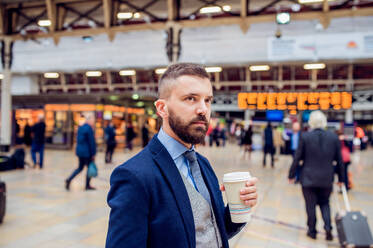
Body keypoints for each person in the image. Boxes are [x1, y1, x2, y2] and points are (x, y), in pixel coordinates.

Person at [106, 63, 258, 248]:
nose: (203, 109)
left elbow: (211, 232)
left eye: (207, 100)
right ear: (162, 108)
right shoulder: (135, 176)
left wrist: (238, 208)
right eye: (191, 98)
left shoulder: (202, 164)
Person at [288, 111, 344, 241]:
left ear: (310, 123)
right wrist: (341, 179)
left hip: (308, 178)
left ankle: (312, 231)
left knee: (310, 205)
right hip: (326, 178)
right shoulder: (333, 137)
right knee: (325, 203)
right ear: (324, 122)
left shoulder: (305, 137)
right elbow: (340, 161)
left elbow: (297, 158)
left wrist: (291, 174)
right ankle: (328, 228)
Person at [65, 115, 96, 191]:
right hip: (87, 153)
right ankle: (87, 185)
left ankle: (69, 179)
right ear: (90, 121)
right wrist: (93, 154)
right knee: (89, 168)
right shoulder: (89, 129)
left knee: (80, 168)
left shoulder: (80, 128)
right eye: (93, 121)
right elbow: (91, 142)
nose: (93, 123)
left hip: (80, 152)